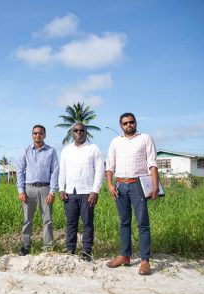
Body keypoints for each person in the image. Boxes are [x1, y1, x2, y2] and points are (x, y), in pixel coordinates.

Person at [105, 112, 159, 276]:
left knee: (142, 223)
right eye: (125, 123)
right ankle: (125, 256)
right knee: (124, 222)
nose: (128, 125)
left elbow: (152, 163)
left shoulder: (145, 138)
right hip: (120, 186)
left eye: (131, 122)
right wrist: (109, 184)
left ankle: (145, 261)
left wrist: (155, 186)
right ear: (121, 125)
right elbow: (109, 165)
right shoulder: (116, 142)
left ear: (135, 123)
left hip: (138, 185)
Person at [58, 122, 104, 261]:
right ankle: (70, 250)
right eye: (75, 130)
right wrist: (61, 189)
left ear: (85, 132)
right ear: (72, 133)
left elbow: (100, 171)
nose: (78, 132)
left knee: (87, 223)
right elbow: (62, 171)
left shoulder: (93, 149)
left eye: (81, 130)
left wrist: (95, 191)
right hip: (70, 192)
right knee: (71, 223)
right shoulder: (66, 150)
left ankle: (86, 251)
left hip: (87, 192)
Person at [16, 125, 59, 256]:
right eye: (35, 133)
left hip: (46, 188)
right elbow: (20, 171)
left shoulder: (51, 151)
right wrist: (21, 191)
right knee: (27, 219)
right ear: (32, 135)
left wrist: (52, 191)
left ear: (44, 135)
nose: (38, 135)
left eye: (40, 133)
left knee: (47, 220)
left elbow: (55, 171)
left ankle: (47, 248)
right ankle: (25, 246)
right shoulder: (26, 151)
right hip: (29, 189)